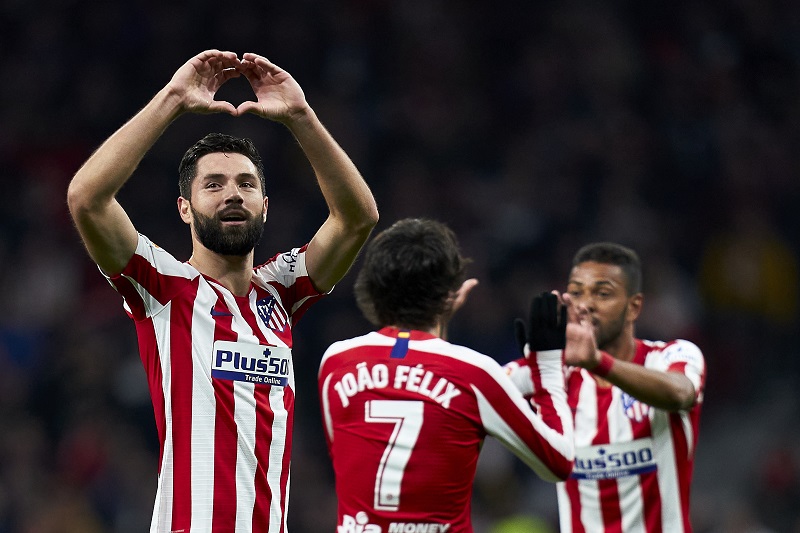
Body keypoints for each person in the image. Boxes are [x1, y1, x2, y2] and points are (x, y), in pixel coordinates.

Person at [66, 49, 379, 532]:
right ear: (185, 208)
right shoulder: (165, 287)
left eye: (246, 184)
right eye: (213, 185)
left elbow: (358, 218)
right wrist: (172, 99)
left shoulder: (280, 292)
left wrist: (301, 117)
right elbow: (86, 198)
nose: (233, 193)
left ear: (265, 206)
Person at [317, 218, 577, 533]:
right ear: (451, 294)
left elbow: (413, 377)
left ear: (372, 287)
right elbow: (559, 462)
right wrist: (548, 370)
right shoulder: (474, 372)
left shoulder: (336, 361)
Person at [506, 242, 707, 532]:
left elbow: (680, 393)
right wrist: (440, 323)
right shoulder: (553, 373)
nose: (585, 304)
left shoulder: (672, 355)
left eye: (602, 293)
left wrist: (597, 362)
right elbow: (471, 393)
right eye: (576, 292)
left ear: (633, 307)